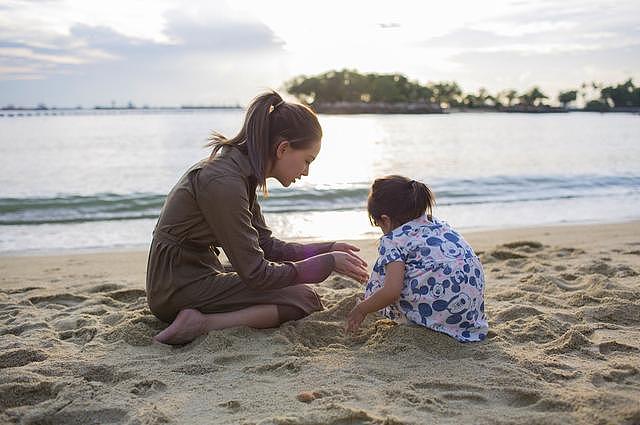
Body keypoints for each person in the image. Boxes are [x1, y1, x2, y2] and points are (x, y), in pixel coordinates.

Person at [147, 91, 369, 345]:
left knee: (297, 290)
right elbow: (257, 274)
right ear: (283, 148)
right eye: (307, 160)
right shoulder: (225, 183)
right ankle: (202, 324)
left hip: (194, 272)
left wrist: (327, 249)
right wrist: (326, 263)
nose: (306, 172)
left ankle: (202, 317)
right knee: (304, 298)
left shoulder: (240, 172)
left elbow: (267, 247)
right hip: (176, 288)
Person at [345, 175, 488, 342]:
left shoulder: (394, 240)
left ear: (385, 220)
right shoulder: (440, 226)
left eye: (378, 224)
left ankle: (418, 322)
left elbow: (392, 291)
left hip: (436, 312)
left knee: (383, 275)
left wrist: (362, 309)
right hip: (468, 315)